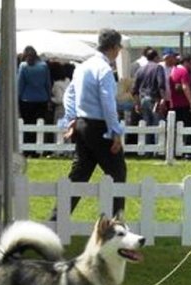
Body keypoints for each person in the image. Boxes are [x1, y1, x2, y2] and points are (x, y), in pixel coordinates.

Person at [49, 28, 126, 220]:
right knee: (117, 173)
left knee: (79, 176)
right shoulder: (105, 69)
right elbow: (108, 103)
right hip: (99, 127)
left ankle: (55, 221)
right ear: (115, 47)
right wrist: (115, 131)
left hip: (83, 125)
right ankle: (115, 225)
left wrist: (72, 118)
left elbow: (69, 95)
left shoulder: (83, 67)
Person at [17, 46, 51, 156]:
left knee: (28, 124)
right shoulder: (44, 66)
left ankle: (28, 149)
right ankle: (38, 149)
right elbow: (47, 84)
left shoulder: (23, 66)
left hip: (26, 99)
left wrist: (18, 97)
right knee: (40, 125)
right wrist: (49, 98)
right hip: (42, 99)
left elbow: (20, 84)